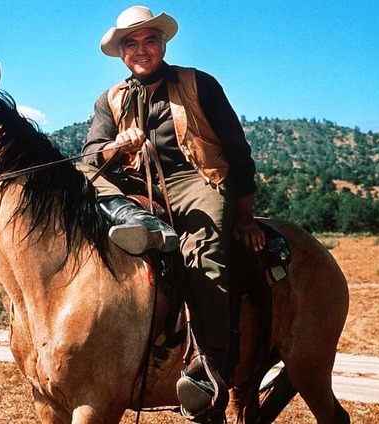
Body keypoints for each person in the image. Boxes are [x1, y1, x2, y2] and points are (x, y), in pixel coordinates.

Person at [80, 5, 266, 421]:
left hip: (197, 181)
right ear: (122, 53)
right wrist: (116, 147)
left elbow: (237, 150)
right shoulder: (108, 100)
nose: (142, 50)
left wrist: (245, 215)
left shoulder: (198, 83)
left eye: (150, 40)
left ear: (162, 45)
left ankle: (208, 370)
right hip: (137, 189)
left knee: (205, 253)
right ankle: (136, 223)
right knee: (79, 172)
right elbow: (93, 155)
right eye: (132, 43)